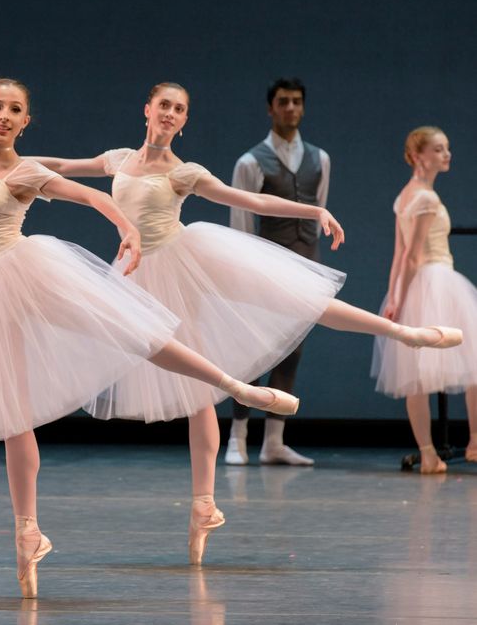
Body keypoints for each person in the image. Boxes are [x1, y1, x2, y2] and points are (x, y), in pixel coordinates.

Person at [0, 78, 303, 597]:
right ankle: (27, 531)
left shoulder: (26, 171)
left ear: (24, 122)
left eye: (14, 110)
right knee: (15, 415)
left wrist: (126, 228)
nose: (3, 115)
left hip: (26, 275)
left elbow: (85, 194)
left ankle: (236, 387)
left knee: (126, 328)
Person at [31, 81, 463, 565]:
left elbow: (251, 202)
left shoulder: (183, 171)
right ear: (147, 110)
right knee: (188, 388)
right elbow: (63, 167)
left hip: (185, 263)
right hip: (136, 276)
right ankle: (204, 507)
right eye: (164, 106)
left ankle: (405, 333)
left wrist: (313, 208)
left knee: (293, 299)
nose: (171, 114)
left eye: (180, 109)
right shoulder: (117, 159)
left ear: (184, 120)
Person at [226, 77, 330, 466]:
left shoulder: (320, 159)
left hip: (306, 266)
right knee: (254, 351)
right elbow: (241, 224)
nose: (291, 108)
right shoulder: (251, 162)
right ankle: (237, 438)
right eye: (283, 102)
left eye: (297, 102)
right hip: (265, 267)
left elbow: (318, 210)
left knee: (292, 352)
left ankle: (274, 441)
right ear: (271, 108)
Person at [372, 126, 477, 473]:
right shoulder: (427, 199)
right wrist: (399, 296)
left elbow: (398, 256)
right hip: (436, 280)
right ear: (419, 156)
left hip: (417, 285)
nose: (446, 155)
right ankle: (474, 441)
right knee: (470, 362)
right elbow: (411, 255)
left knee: (417, 374)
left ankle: (429, 453)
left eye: (446, 148)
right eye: (438, 149)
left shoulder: (405, 196)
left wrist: (395, 296)